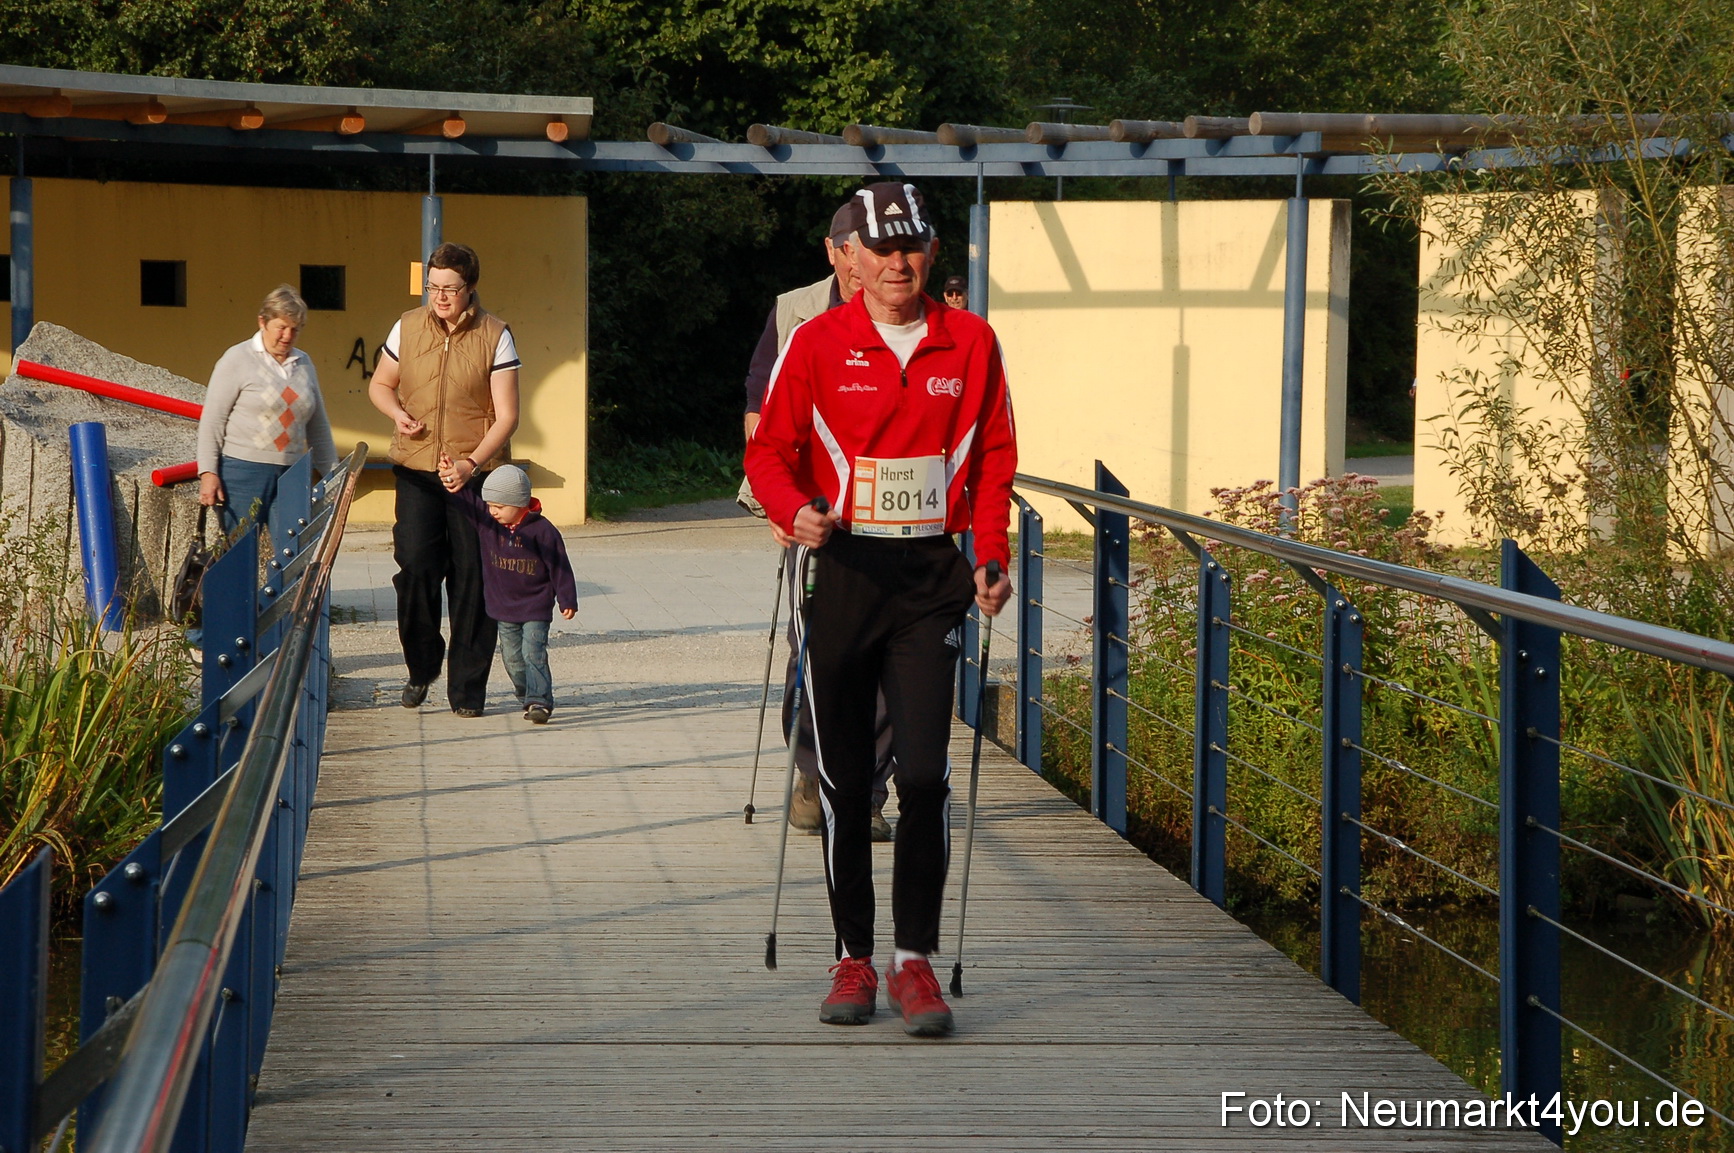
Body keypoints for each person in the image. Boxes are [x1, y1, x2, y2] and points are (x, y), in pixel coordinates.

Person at [745, 181, 1017, 1038]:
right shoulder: (816, 341)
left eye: (911, 248)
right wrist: (793, 509)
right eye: (882, 249)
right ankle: (853, 955)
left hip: (930, 578)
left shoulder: (971, 341)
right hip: (843, 571)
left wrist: (991, 552)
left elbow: (996, 457)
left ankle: (914, 961)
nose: (898, 263)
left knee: (927, 775)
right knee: (843, 780)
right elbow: (769, 451)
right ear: (850, 258)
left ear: (931, 252)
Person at [741, 205, 896, 843]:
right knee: (816, 647)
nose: (865, 262)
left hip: (895, 516)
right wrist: (781, 503)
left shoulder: (909, 316)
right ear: (833, 251)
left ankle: (865, 792)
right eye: (853, 249)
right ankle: (813, 771)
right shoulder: (795, 311)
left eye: (875, 248)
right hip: (816, 513)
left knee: (886, 655)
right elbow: (759, 408)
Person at [368, 242, 521, 718]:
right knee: (415, 569)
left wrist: (470, 464)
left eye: (449, 289)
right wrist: (398, 414)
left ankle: (467, 692)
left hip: (476, 478)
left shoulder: (496, 335)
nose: (439, 297)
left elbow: (508, 416)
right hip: (417, 471)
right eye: (432, 287)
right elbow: (380, 384)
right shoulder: (406, 326)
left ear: (469, 288)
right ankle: (421, 666)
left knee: (473, 580)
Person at [436, 456, 577, 724]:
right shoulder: (488, 524)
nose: (493, 511)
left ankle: (539, 700)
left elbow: (560, 566)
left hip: (535, 607)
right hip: (502, 608)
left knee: (533, 653)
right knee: (512, 658)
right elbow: (467, 501)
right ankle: (526, 692)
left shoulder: (544, 532)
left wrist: (567, 598)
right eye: (490, 505)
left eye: (499, 506)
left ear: (520, 504)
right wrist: (449, 476)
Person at [197, 285, 337, 532]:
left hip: (293, 472)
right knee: (239, 546)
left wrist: (333, 475)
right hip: (243, 470)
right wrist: (208, 472)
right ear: (263, 322)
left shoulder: (304, 363)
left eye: (295, 329)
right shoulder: (237, 358)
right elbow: (213, 420)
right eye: (281, 327)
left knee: (294, 546)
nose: (287, 336)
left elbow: (318, 425)